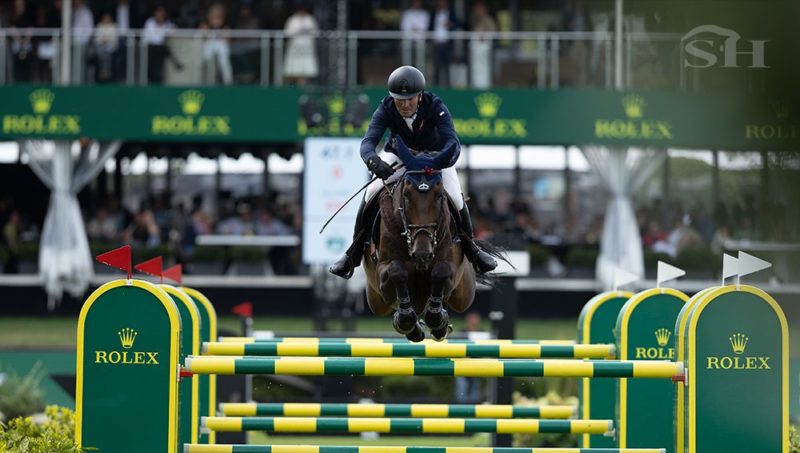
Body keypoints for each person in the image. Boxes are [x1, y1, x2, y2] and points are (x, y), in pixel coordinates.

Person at [329, 65, 497, 279]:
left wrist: (434, 162)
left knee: (455, 195)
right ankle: (353, 253)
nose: (405, 105)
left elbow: (452, 142)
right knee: (371, 191)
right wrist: (374, 162)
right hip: (399, 156)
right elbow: (368, 142)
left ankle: (473, 250)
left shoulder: (435, 106)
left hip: (435, 157)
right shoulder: (386, 108)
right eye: (400, 99)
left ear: (420, 96)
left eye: (410, 99)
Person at [283, 5, 319, 85]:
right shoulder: (292, 19)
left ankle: (303, 85)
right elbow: (287, 33)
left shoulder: (310, 19)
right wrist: (298, 31)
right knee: (294, 69)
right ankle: (292, 85)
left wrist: (308, 30)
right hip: (295, 47)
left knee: (305, 70)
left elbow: (316, 32)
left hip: (307, 47)